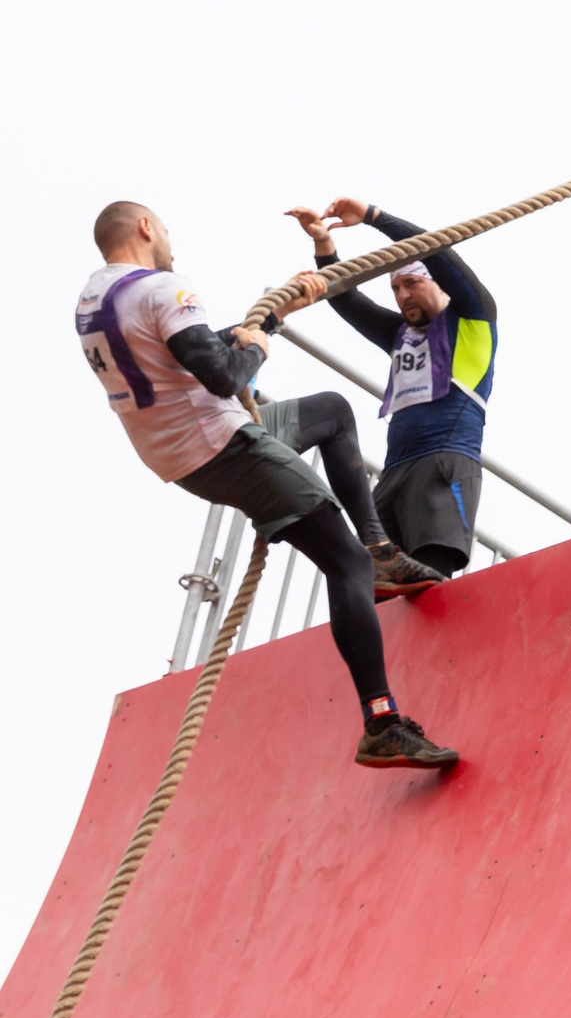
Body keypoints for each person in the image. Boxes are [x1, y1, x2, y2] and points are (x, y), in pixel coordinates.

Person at [77, 202, 459, 769]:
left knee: (332, 410)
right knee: (343, 564)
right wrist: (259, 346)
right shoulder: (163, 287)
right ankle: (380, 721)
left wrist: (272, 319)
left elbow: (183, 354)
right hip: (224, 445)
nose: (172, 248)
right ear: (145, 228)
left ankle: (381, 548)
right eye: (168, 233)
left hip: (189, 445)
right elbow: (226, 373)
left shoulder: (93, 299)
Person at [289, 198, 499, 580]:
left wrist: (374, 217)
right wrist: (324, 245)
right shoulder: (401, 335)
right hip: (395, 475)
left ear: (439, 285)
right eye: (396, 287)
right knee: (370, 584)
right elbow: (348, 299)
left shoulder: (474, 319)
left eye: (412, 283)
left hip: (445, 464)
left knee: (431, 584)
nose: (403, 295)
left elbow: (437, 250)